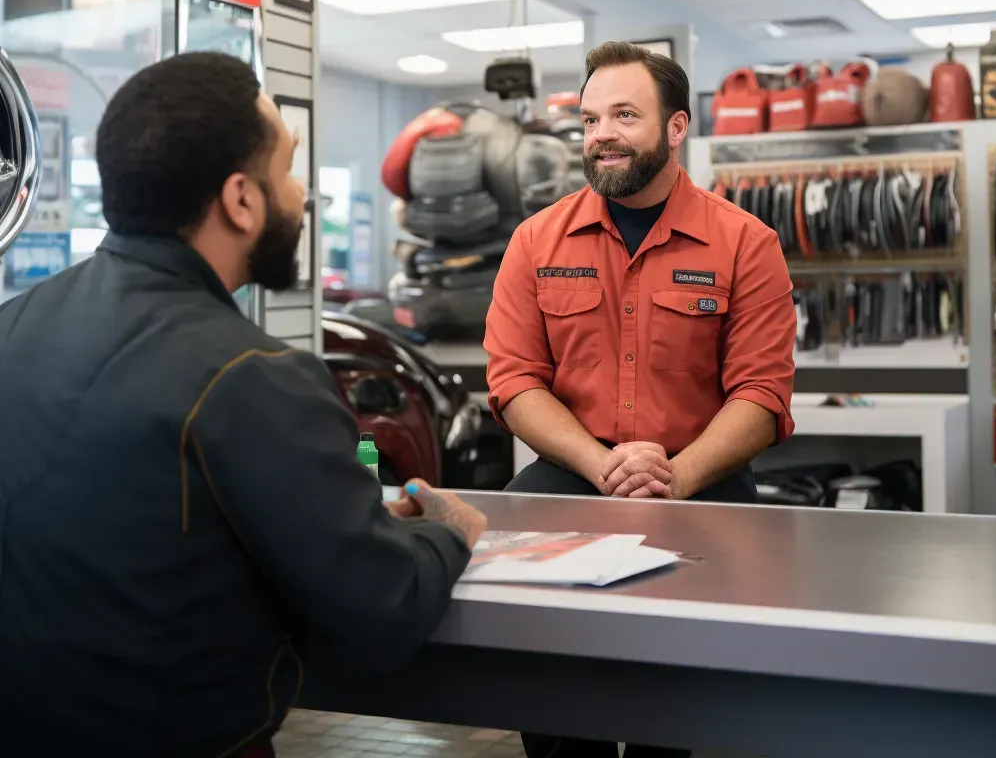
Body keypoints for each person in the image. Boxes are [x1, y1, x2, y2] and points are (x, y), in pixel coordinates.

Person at [0, 52, 487, 757]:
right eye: (287, 170)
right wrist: (450, 531)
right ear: (241, 200)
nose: (301, 196)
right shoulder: (256, 376)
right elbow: (382, 613)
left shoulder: (13, 325)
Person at [484, 40, 796, 758]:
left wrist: (677, 478)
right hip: (571, 478)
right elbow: (514, 381)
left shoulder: (747, 244)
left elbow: (761, 390)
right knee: (553, 694)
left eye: (624, 115)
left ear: (677, 128)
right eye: (591, 119)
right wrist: (601, 466)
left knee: (672, 709)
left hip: (704, 481)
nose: (602, 135)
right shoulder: (535, 242)